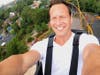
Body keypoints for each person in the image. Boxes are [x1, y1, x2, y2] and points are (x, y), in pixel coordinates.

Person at [0, 0, 100, 75]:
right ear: (50, 22)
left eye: (62, 17)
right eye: (54, 18)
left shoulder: (87, 40)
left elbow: (94, 59)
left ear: (71, 19)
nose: (58, 22)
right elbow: (22, 61)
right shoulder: (42, 46)